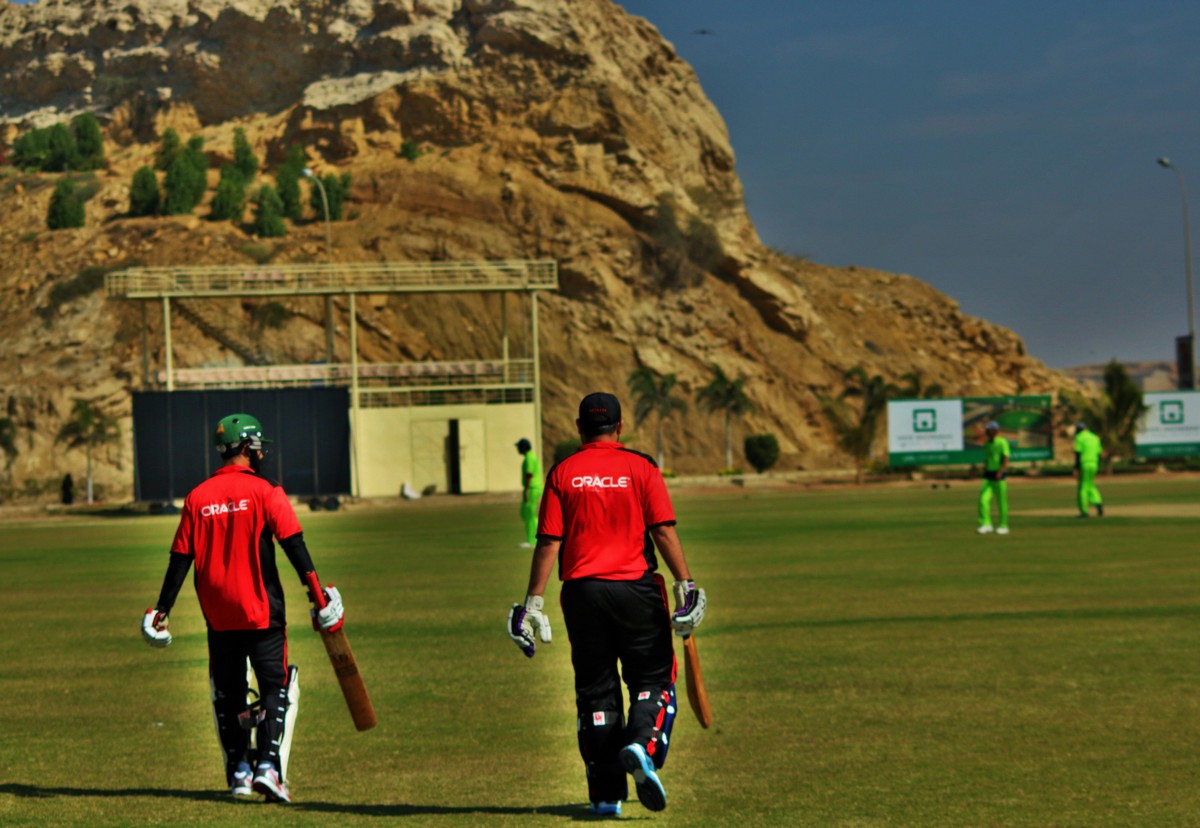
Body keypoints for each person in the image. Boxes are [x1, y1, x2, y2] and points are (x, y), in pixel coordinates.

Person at [507, 392, 707, 816]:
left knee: (596, 691)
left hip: (582, 595)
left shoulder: (563, 472)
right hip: (636, 589)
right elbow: (663, 530)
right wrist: (685, 583)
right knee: (652, 679)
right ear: (620, 427)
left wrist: (533, 603)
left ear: (580, 428)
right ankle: (642, 745)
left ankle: (604, 796)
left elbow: (549, 542)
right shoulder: (641, 467)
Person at [140, 413, 345, 803]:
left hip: (218, 616)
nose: (262, 453)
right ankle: (268, 767)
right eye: (259, 447)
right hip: (262, 611)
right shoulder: (267, 490)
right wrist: (319, 599)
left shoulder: (197, 497)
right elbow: (294, 546)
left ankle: (239, 771)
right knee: (277, 687)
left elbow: (180, 558)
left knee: (228, 692)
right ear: (248, 447)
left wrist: (162, 610)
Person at [977, 420, 1010, 535]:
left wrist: (1001, 471)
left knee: (1001, 502)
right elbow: (987, 459)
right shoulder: (987, 444)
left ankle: (1003, 525)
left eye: (991, 430)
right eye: (987, 430)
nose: (988, 432)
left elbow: (1005, 457)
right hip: (988, 475)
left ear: (995, 431)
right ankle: (986, 524)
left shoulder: (1002, 442)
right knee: (983, 500)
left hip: (999, 475)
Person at [515, 437, 542, 548]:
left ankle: (532, 540)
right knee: (527, 514)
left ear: (523, 448)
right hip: (533, 488)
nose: (517, 449)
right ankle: (533, 538)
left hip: (531, 488)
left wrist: (526, 489)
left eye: (519, 447)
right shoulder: (530, 457)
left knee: (530, 515)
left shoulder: (529, 458)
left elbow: (529, 474)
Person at [1074, 421, 1104, 517]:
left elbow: (1078, 453)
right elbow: (1099, 453)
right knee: (1090, 484)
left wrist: (1076, 468)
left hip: (1084, 463)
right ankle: (1098, 502)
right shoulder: (1094, 437)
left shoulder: (1079, 437)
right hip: (1094, 463)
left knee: (1083, 487)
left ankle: (1084, 511)